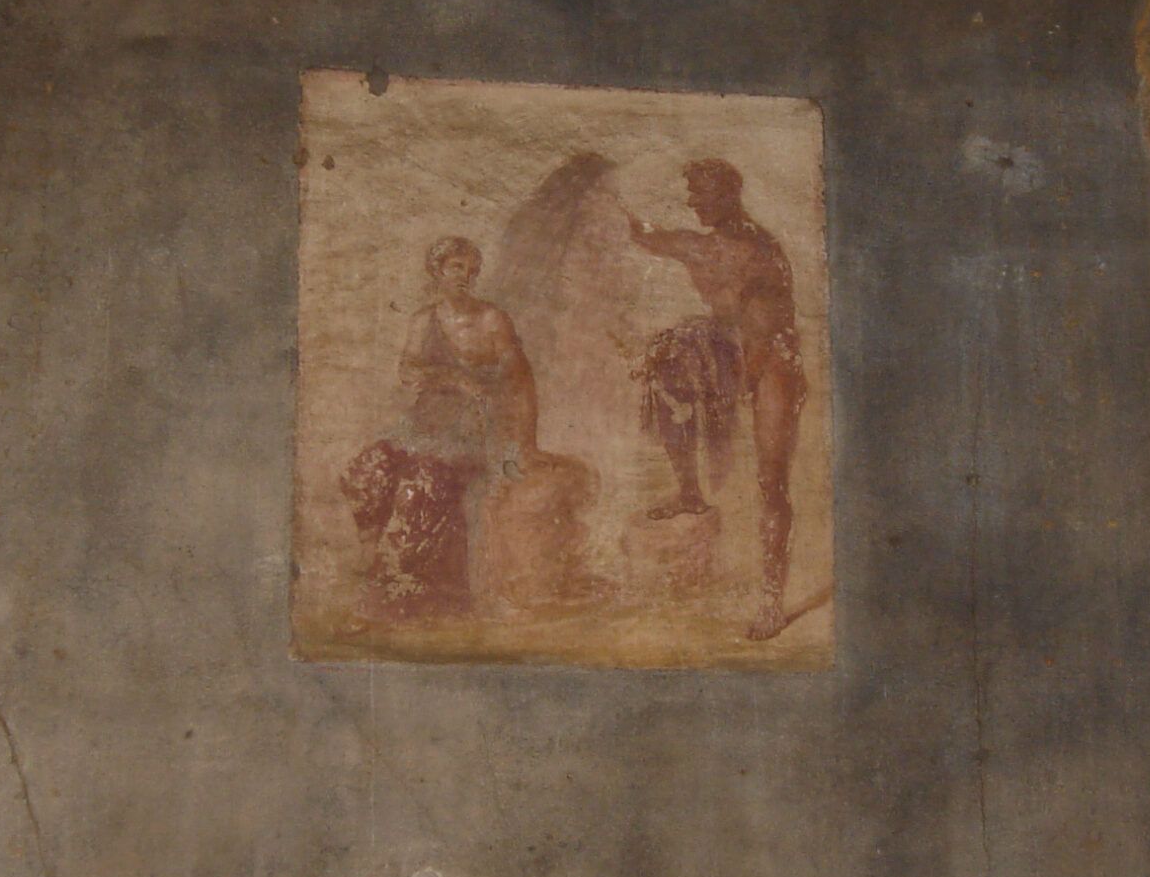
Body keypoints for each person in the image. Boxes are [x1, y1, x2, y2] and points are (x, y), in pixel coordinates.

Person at [341, 237, 591, 620]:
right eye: (457, 267)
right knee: (368, 469)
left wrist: (525, 444)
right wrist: (450, 378)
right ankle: (375, 564)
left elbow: (520, 380)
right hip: (425, 423)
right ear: (438, 270)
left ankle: (409, 596)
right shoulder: (424, 320)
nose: (466, 275)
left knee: (423, 482)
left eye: (471, 269)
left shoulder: (492, 319)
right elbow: (408, 372)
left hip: (477, 426)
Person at [628, 159, 805, 640]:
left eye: (701, 193)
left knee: (772, 479)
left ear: (729, 193)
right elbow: (646, 235)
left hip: (771, 363)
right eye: (690, 194)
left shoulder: (759, 251)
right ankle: (688, 489)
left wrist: (730, 383)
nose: (692, 203)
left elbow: (765, 332)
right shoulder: (699, 246)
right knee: (666, 360)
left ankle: (771, 597)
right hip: (733, 353)